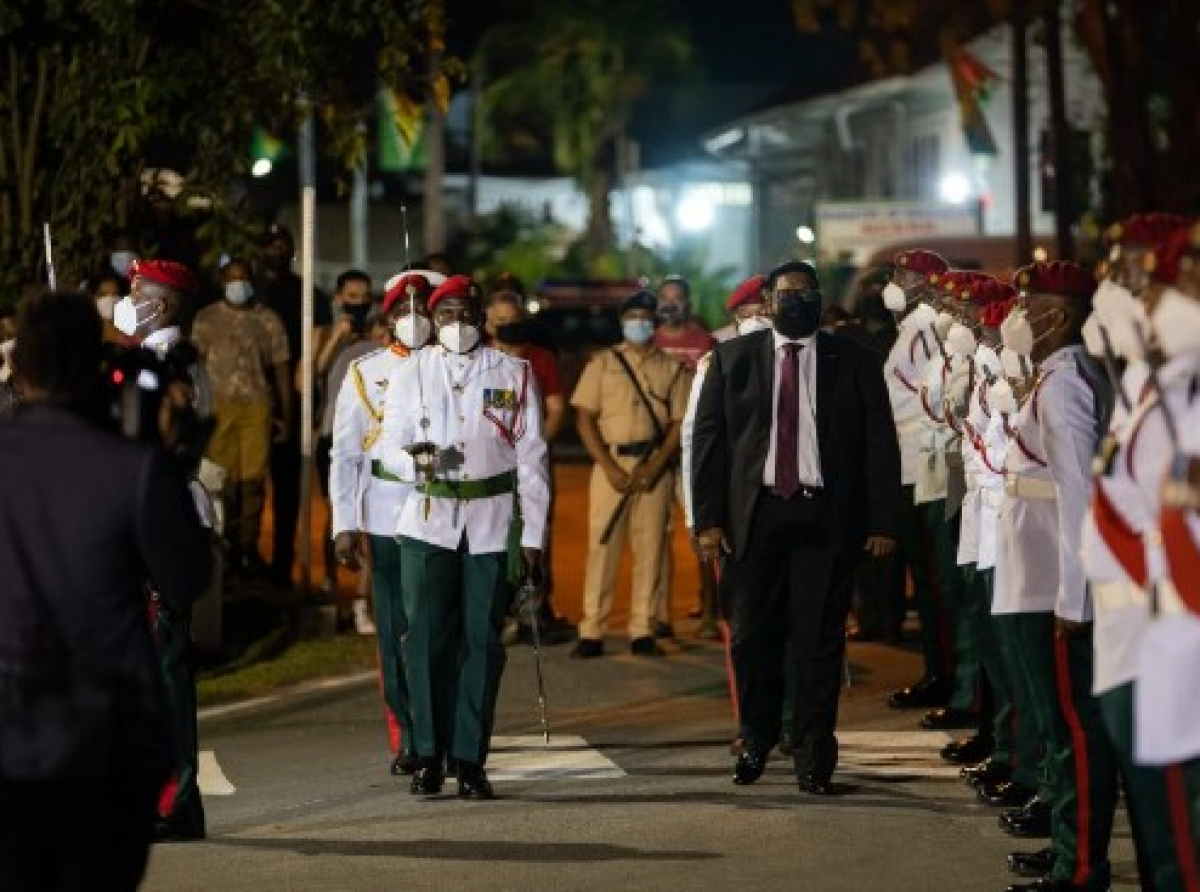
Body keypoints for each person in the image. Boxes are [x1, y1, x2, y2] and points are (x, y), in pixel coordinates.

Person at [0, 289, 210, 891]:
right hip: (106, 743)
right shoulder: (132, 465)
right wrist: (171, 455)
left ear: (19, 366)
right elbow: (187, 577)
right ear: (97, 367)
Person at [691, 260, 900, 795]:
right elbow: (710, 447)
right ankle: (755, 738)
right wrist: (709, 520)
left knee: (818, 642)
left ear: (818, 299)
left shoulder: (853, 361)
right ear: (767, 303)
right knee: (753, 636)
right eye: (785, 295)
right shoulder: (732, 359)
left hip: (825, 517)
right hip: (755, 519)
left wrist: (881, 519)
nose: (794, 303)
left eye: (804, 294)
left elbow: (878, 444)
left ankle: (814, 755)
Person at [378, 274, 550, 799]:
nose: (456, 324)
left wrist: (535, 535)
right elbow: (387, 445)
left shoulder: (514, 373)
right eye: (445, 314)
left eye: (464, 313)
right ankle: (428, 755)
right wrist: (419, 461)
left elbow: (533, 457)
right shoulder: (412, 372)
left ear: (481, 319)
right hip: (428, 520)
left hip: (492, 524)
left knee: (482, 643)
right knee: (426, 640)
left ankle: (471, 759)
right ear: (434, 320)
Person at [994, 261, 1120, 892]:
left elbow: (1079, 496)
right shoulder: (1050, 378)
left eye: (1027, 302)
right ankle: (1069, 847)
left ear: (1060, 317)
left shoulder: (1067, 383)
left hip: (1058, 587)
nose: (1017, 314)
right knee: (1057, 724)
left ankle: (1081, 868)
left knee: (1073, 728)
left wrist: (1076, 595)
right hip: (1035, 574)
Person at [111, 258, 216, 842]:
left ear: (166, 303)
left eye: (138, 289)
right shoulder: (139, 358)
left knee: (164, 668)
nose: (129, 297)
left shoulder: (171, 361)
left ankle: (176, 799)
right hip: (135, 520)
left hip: (158, 520)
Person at [331, 270, 438, 777]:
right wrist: (344, 522)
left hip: (445, 511)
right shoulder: (363, 372)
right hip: (387, 511)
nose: (413, 320)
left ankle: (442, 732)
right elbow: (346, 453)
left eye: (422, 310)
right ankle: (409, 735)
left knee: (439, 626)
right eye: (403, 311)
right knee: (395, 627)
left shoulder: (452, 368)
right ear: (389, 319)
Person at [570, 289, 687, 659]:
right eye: (632, 318)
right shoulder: (603, 364)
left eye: (645, 318)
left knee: (651, 549)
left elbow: (679, 423)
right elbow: (584, 418)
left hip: (655, 468)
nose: (639, 323)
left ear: (654, 323)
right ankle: (592, 628)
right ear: (622, 323)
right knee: (601, 548)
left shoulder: (671, 367)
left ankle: (642, 628)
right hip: (612, 467)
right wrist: (607, 465)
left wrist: (656, 465)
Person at [882, 250, 956, 709]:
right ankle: (939, 670)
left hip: (928, 460)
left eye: (902, 274)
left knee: (935, 578)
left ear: (926, 282)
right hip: (913, 461)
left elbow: (932, 397)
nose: (894, 282)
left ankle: (947, 675)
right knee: (925, 578)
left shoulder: (930, 325)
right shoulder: (913, 325)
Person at [681, 275, 770, 639]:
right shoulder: (716, 364)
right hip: (740, 499)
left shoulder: (806, 358)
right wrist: (697, 511)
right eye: (754, 320)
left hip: (796, 498)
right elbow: (696, 438)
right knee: (748, 602)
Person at [193, 257, 292, 580]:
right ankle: (225, 546)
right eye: (232, 279)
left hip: (256, 407)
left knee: (252, 481)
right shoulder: (206, 319)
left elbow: (280, 367)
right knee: (220, 480)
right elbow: (194, 367)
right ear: (223, 281)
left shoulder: (267, 320)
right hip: (217, 408)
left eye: (244, 278)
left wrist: (287, 415)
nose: (239, 285)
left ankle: (248, 547)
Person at [484, 287, 573, 644]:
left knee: (536, 535)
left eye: (514, 321)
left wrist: (529, 449)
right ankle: (496, 611)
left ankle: (534, 612)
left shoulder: (540, 360)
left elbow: (557, 411)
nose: (507, 327)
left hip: (530, 467)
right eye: (500, 321)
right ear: (488, 323)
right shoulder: (478, 361)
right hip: (490, 472)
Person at [256, 224, 333, 586]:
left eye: (282, 245)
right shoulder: (250, 292)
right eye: (269, 244)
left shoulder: (308, 295)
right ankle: (246, 562)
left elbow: (318, 343)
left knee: (287, 491)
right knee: (246, 489)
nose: (276, 250)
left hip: (295, 400)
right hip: (249, 399)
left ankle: (282, 565)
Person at [315, 269, 377, 618]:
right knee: (336, 513)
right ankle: (329, 581)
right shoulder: (326, 333)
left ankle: (361, 599)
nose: (358, 304)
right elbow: (311, 375)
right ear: (338, 299)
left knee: (368, 515)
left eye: (364, 297)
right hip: (331, 434)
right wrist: (336, 339)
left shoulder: (376, 337)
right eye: (351, 298)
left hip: (369, 439)